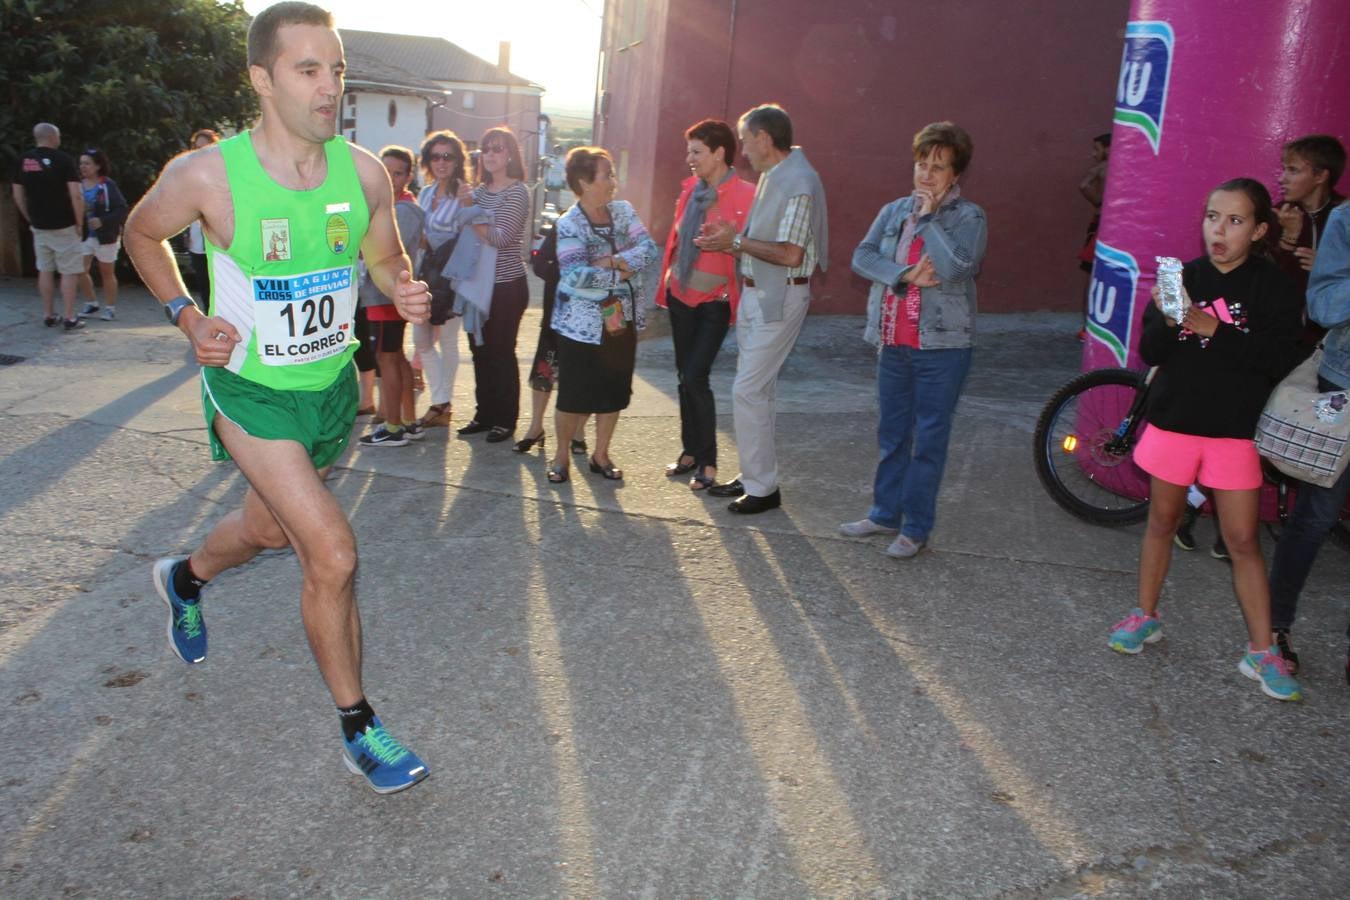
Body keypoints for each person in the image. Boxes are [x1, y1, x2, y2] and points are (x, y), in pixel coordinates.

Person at [122, 1, 431, 792]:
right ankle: (360, 727)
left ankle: (185, 577)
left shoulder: (362, 173)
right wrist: (187, 315)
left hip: (329, 392)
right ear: (261, 79)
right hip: (250, 393)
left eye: (336, 70)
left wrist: (405, 287)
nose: (329, 87)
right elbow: (139, 233)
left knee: (266, 528)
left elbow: (386, 259)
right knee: (330, 551)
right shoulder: (208, 175)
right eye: (308, 70)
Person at [1106, 178, 1305, 702]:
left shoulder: (1273, 288)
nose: (1219, 229)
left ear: (1259, 230)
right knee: (1162, 523)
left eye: (1235, 221)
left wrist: (1215, 330)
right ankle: (1145, 616)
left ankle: (1262, 651)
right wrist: (1173, 319)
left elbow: (1282, 359)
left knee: (1242, 541)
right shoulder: (1182, 277)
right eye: (1212, 216)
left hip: (1234, 434)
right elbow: (1151, 351)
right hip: (1175, 424)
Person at [841, 122, 988, 558]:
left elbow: (960, 267)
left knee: (928, 439)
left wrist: (928, 222)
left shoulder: (970, 217)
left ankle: (916, 526)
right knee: (891, 433)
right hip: (893, 340)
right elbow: (862, 256)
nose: (926, 175)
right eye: (921, 164)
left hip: (943, 348)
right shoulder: (892, 210)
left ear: (955, 175)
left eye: (938, 168)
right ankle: (885, 512)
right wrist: (904, 275)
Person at [695, 103, 828, 514]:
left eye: (746, 140)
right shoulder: (776, 176)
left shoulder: (799, 181)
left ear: (765, 139)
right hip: (761, 293)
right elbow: (763, 241)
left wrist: (734, 242)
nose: (743, 150)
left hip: (780, 295)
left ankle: (763, 489)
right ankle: (758, 477)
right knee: (759, 391)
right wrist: (733, 238)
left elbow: (790, 255)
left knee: (748, 389)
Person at [1267, 199, 1350, 683]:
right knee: (1316, 516)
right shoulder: (1344, 221)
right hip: (1343, 390)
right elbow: (1323, 305)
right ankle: (1276, 627)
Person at [544, 147, 659, 483]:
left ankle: (601, 455)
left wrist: (607, 264)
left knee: (614, 390)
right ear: (584, 181)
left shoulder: (622, 211)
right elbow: (574, 274)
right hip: (579, 326)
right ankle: (561, 456)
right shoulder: (569, 222)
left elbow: (649, 249)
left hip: (619, 321)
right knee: (573, 394)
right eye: (606, 174)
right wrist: (622, 269)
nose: (613, 181)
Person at [656, 119, 756, 490]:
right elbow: (676, 242)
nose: (690, 159)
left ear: (719, 153)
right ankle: (690, 451)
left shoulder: (748, 194)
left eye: (697, 151)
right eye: (689, 151)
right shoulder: (690, 192)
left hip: (716, 299)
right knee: (685, 376)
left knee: (696, 375)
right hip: (681, 294)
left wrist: (731, 241)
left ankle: (709, 461)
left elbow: (755, 245)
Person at [454, 126, 531, 443]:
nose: (491, 154)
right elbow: (463, 229)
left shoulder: (517, 192)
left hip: (506, 286)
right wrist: (467, 206)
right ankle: (484, 414)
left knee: (501, 352)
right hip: (475, 284)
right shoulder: (479, 191)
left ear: (511, 154)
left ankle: (505, 419)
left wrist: (471, 210)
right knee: (479, 352)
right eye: (486, 148)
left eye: (498, 148)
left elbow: (500, 238)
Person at [358, 145, 426, 447]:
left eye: (398, 173)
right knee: (395, 357)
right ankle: (408, 421)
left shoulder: (403, 209)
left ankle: (394, 425)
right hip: (383, 295)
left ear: (408, 176)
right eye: (385, 171)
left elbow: (389, 251)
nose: (391, 178)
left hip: (387, 296)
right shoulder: (392, 205)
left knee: (387, 359)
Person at [514, 207, 590, 457]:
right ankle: (535, 427)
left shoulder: (608, 223)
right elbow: (540, 259)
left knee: (581, 375)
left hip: (588, 313)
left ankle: (578, 432)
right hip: (556, 311)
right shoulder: (565, 221)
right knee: (544, 368)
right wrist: (559, 275)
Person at [413, 130, 468, 428]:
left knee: (448, 340)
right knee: (421, 341)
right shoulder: (425, 192)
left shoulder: (462, 193)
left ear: (458, 160)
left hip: (450, 278)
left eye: (448, 156)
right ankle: (441, 399)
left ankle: (441, 404)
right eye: (435, 156)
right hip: (425, 275)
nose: (441, 162)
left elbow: (467, 235)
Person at [11, 122, 85, 331]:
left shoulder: (23, 160)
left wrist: (29, 217)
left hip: (39, 225)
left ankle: (49, 314)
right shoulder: (64, 160)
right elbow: (76, 194)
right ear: (54, 137)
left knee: (45, 269)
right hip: (64, 224)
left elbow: (17, 194)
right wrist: (79, 222)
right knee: (68, 272)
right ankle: (69, 317)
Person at [1273, 134, 1345, 323]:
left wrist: (1327, 267)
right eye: (1284, 169)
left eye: (1293, 170)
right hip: (1282, 332)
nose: (1282, 179)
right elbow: (1261, 277)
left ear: (1321, 176)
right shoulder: (1278, 214)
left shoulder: (1344, 218)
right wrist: (1288, 238)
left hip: (1331, 338)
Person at [75, 148, 128, 321]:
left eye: (87, 163)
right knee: (79, 269)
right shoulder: (77, 185)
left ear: (97, 166)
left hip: (106, 236)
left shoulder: (107, 185)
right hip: (84, 235)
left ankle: (110, 308)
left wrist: (102, 221)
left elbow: (121, 209)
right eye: (81, 163)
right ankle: (91, 303)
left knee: (107, 272)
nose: (83, 167)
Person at [1077, 133, 1110, 340]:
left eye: (1096, 149)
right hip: (1116, 227)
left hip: (1099, 225)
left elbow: (1083, 185)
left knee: (1091, 276)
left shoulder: (1101, 168)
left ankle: (1086, 326)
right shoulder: (1124, 168)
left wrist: (1099, 202)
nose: (1093, 154)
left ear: (1108, 149)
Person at [186, 129, 222, 307]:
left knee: (221, 291)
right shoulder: (188, 173)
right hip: (197, 244)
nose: (199, 151)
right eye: (196, 147)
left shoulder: (224, 172)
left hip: (220, 244)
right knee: (205, 291)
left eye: (204, 147)